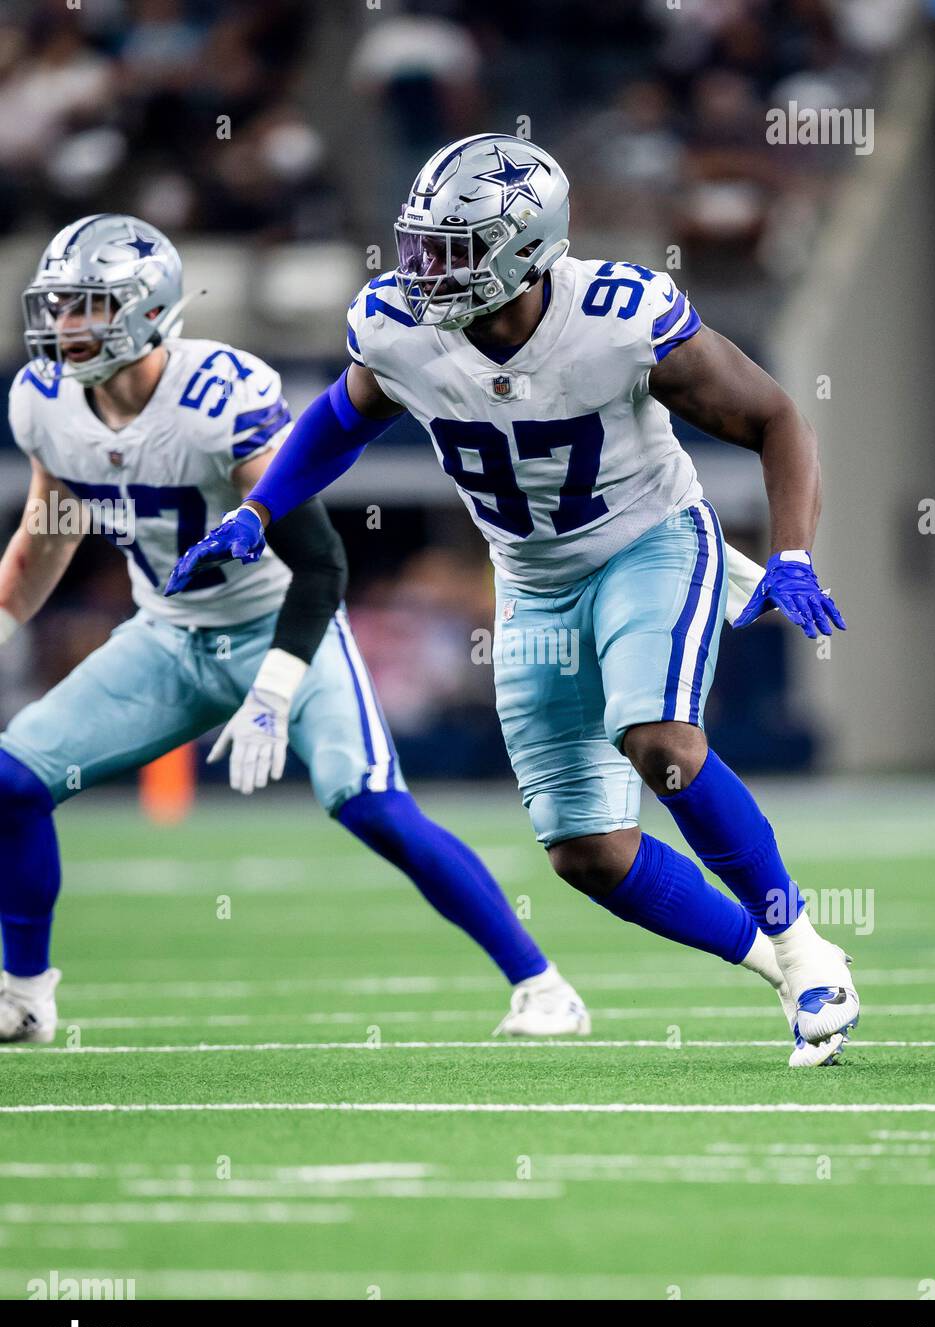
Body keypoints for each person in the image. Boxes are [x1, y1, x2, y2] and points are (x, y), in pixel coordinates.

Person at [169, 135, 858, 1067]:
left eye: (454, 251)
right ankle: (776, 968)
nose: (425, 272)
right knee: (588, 856)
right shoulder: (400, 327)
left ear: (528, 249)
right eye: (420, 247)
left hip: (647, 542)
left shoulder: (617, 316)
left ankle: (802, 941)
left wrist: (793, 550)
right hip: (530, 579)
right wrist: (260, 507)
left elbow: (775, 415)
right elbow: (340, 418)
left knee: (658, 741)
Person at [0, 213, 589, 1044]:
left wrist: (275, 690)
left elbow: (320, 565)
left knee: (371, 806)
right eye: (57, 307)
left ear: (146, 310)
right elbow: (48, 533)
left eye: (85, 307)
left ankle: (543, 984)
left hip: (282, 624)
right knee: (12, 782)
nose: (62, 326)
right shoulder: (45, 403)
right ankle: (25, 994)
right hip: (168, 635)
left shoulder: (216, 398)